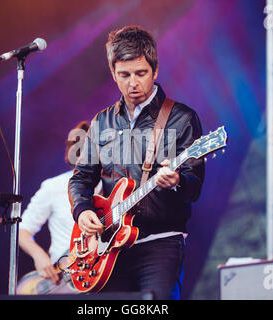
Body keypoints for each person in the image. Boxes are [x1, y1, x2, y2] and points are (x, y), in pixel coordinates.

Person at [68, 26, 205, 299]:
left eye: (141, 73)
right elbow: (81, 177)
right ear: (113, 74)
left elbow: (194, 186)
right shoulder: (101, 121)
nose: (133, 83)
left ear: (154, 71)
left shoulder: (181, 118)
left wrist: (177, 181)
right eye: (124, 75)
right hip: (107, 247)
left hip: (161, 244)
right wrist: (82, 211)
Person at [18, 121, 90, 288]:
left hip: (101, 276)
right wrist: (39, 255)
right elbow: (22, 230)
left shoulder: (114, 186)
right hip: (61, 279)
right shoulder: (54, 186)